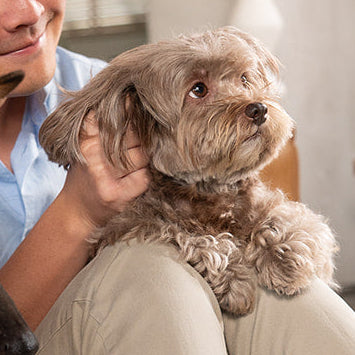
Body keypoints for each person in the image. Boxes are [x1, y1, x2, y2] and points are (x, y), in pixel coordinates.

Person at [1, 1, 355, 354]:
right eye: (199, 91)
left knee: (283, 283)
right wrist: (79, 212)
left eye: (245, 80)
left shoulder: (89, 76)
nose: (28, 13)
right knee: (150, 269)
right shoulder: (112, 103)